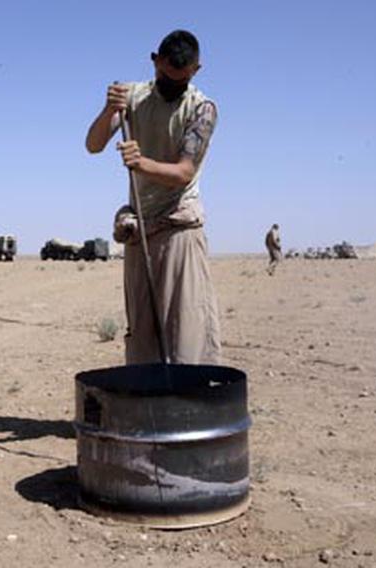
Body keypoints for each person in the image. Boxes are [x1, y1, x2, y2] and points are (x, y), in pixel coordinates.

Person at [85, 30, 220, 365]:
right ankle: (147, 411)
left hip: (179, 229)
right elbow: (93, 144)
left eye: (180, 80)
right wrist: (108, 111)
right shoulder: (132, 97)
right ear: (154, 61)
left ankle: (191, 410)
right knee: (143, 334)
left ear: (196, 70)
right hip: (141, 231)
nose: (171, 86)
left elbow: (184, 173)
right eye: (164, 77)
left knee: (186, 332)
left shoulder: (202, 109)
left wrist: (140, 163)